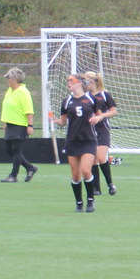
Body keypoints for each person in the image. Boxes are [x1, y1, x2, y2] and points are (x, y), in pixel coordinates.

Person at [56, 73, 103, 213]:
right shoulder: (67, 101)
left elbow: (100, 114)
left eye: (71, 80)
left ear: (79, 83)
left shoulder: (92, 99)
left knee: (86, 171)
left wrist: (98, 118)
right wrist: (55, 121)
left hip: (88, 140)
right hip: (72, 141)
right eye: (67, 81)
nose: (68, 83)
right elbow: (63, 122)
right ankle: (79, 203)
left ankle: (90, 200)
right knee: (76, 176)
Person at [0, 67, 37, 182]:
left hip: (20, 125)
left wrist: (30, 126)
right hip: (10, 125)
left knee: (16, 150)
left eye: (9, 78)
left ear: (14, 79)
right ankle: (30, 167)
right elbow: (7, 107)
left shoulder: (23, 92)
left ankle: (13, 176)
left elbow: (29, 110)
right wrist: (5, 123)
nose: (7, 80)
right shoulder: (10, 91)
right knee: (9, 150)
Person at [84, 71, 117, 196]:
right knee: (92, 159)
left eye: (86, 81)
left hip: (102, 129)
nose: (84, 83)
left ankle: (110, 184)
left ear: (93, 81)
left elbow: (113, 111)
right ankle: (96, 188)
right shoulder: (85, 96)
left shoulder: (104, 94)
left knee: (101, 157)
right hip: (89, 130)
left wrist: (101, 116)